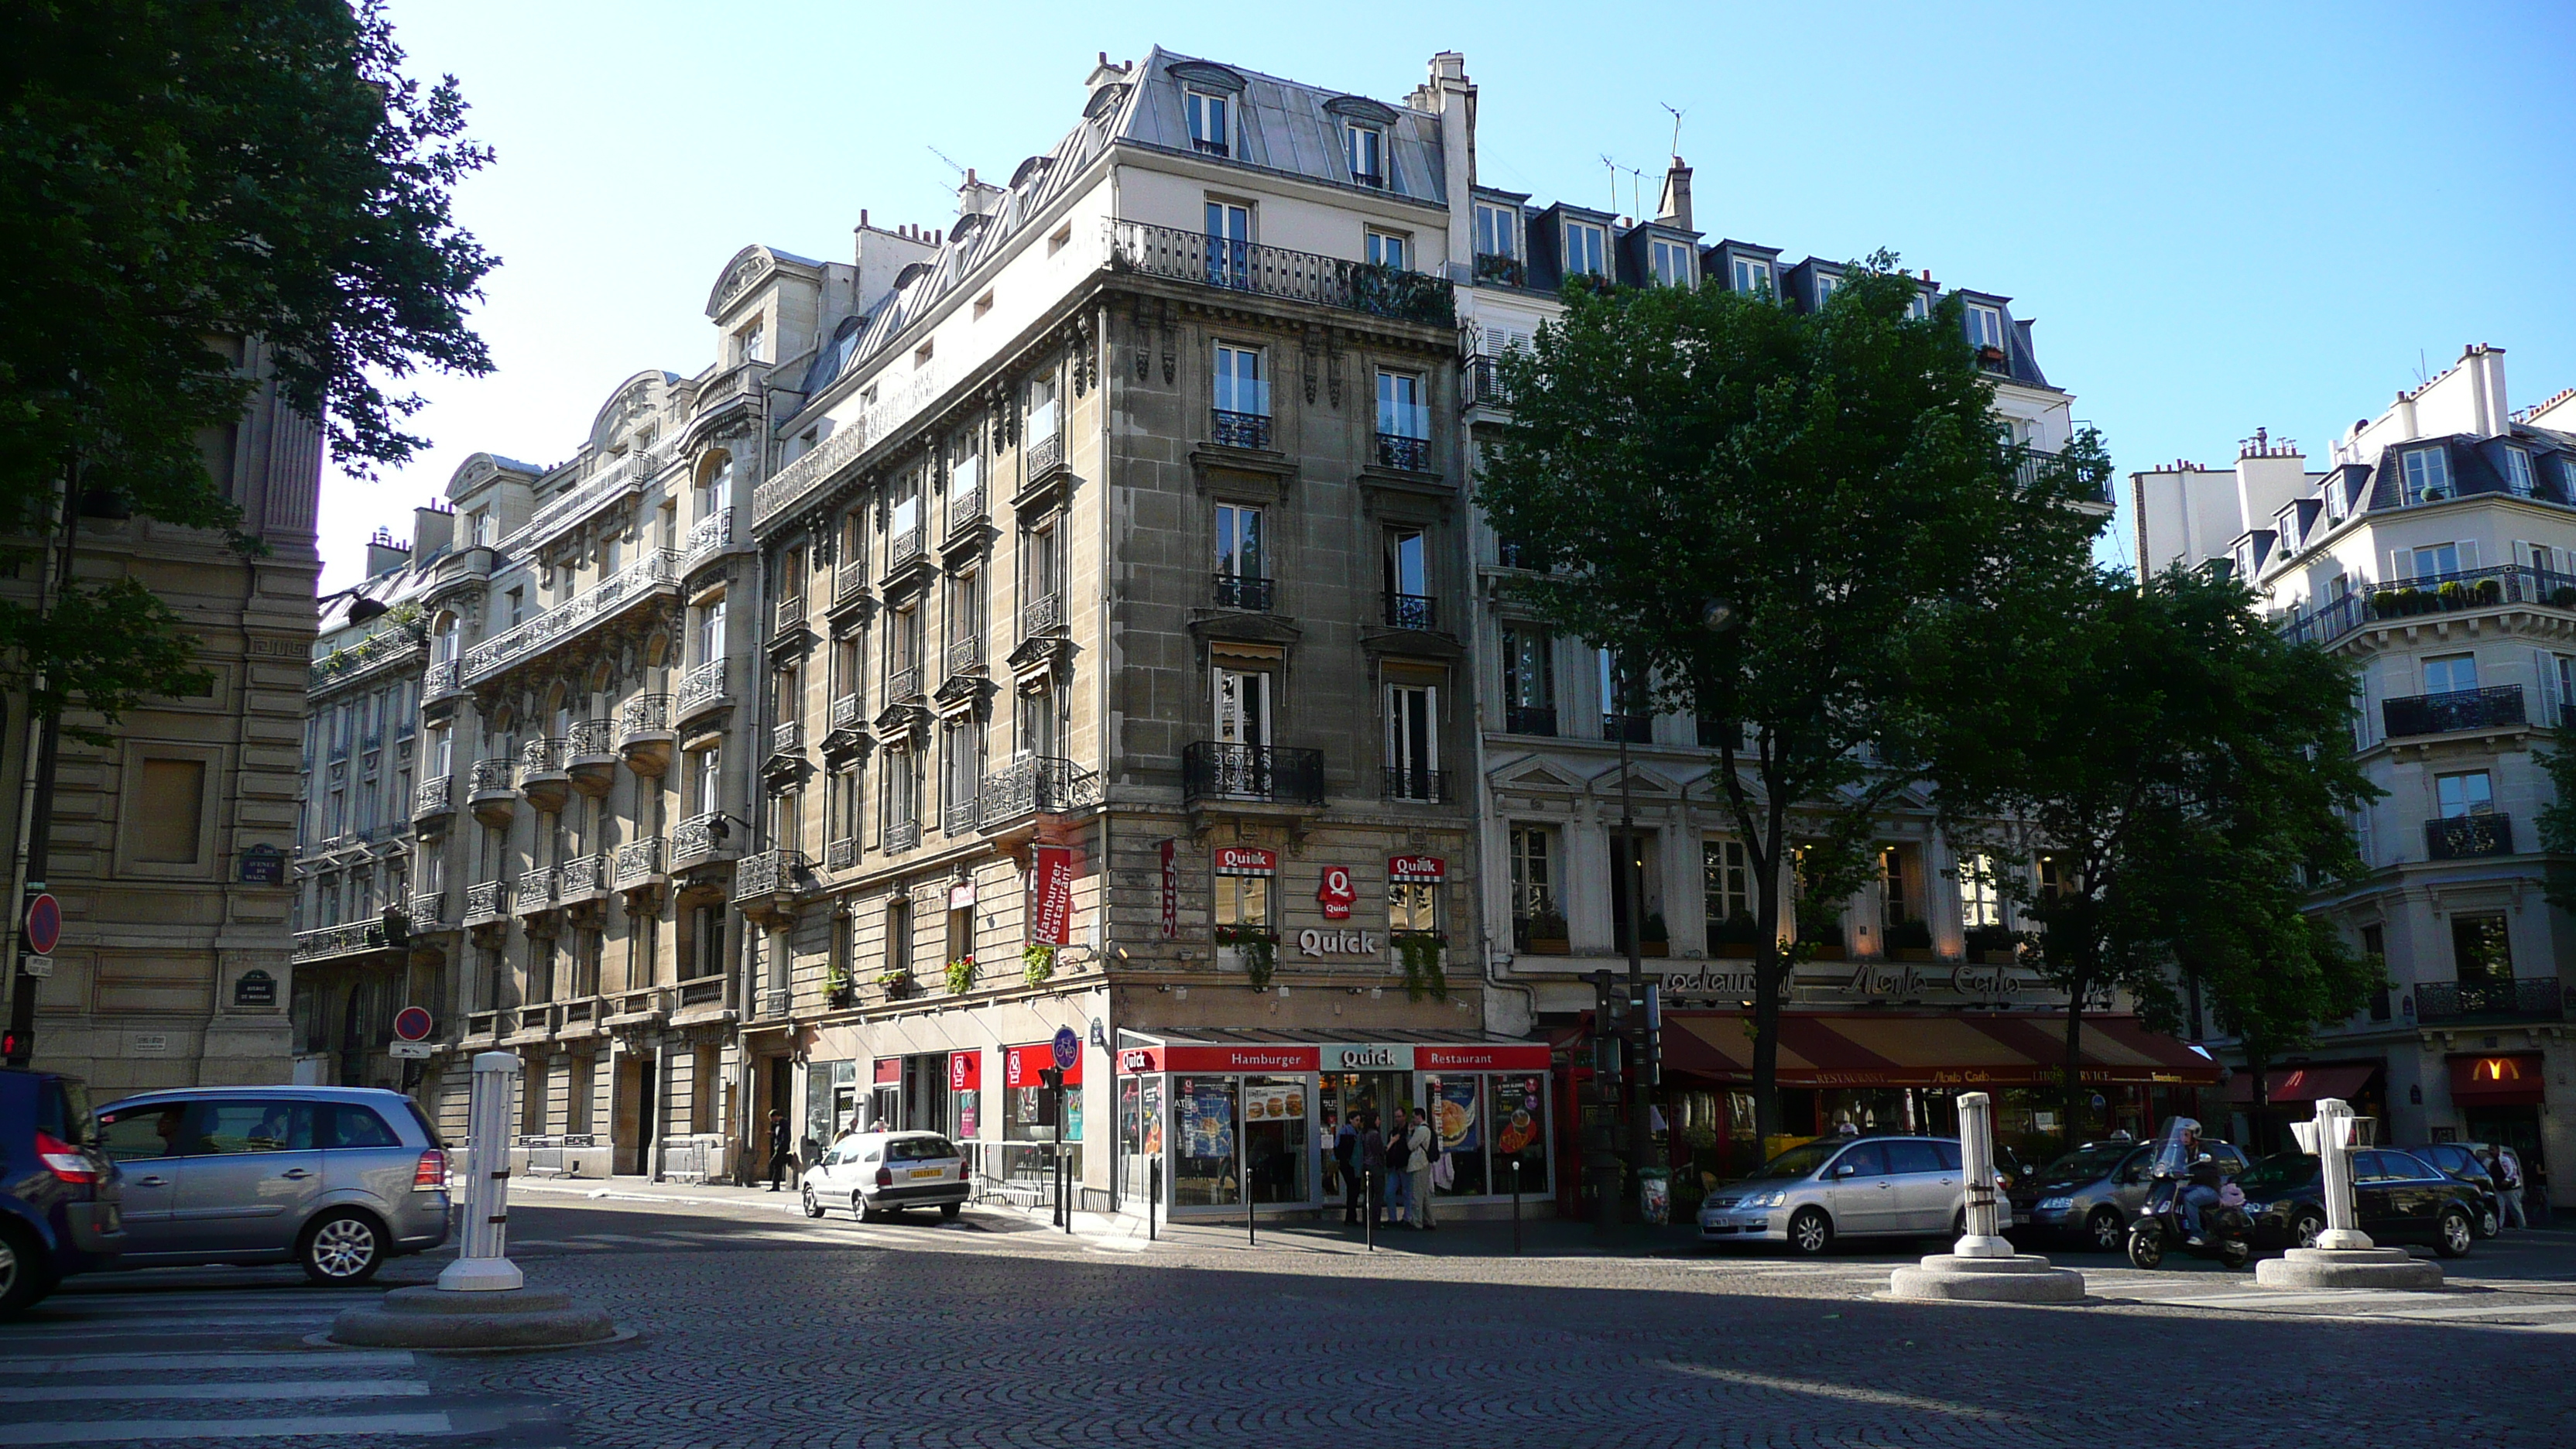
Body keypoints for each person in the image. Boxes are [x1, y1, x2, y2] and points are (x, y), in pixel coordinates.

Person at [2180, 1131, 2224, 1243]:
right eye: (2180, 1135)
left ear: (2194, 1135)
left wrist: (2193, 1173)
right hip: (2193, 1186)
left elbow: (2213, 1170)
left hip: (2209, 1188)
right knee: (2174, 1195)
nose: (2183, 1138)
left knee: (2190, 1199)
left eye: (2186, 1135)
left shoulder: (2205, 1149)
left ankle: (2198, 1235)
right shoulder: (2181, 1151)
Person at [1406, 1107, 1438, 1231]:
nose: (1413, 1120)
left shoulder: (1421, 1130)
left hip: (1419, 1164)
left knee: (1417, 1195)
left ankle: (1417, 1222)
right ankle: (1429, 1221)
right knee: (1424, 1195)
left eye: (1414, 1117)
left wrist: (1410, 1133)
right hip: (1424, 1164)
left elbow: (1410, 1146)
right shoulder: (1427, 1129)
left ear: (1420, 1116)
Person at [1383, 1110, 1414, 1227]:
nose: (1398, 1119)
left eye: (1400, 1116)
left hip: (1405, 1165)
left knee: (1407, 1193)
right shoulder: (1393, 1132)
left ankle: (1407, 1217)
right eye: (1396, 1117)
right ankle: (1393, 1218)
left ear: (1405, 1117)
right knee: (1389, 1192)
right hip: (1395, 1166)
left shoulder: (1409, 1131)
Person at [1359, 1112, 1388, 1228]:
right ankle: (1375, 1221)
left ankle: (1366, 1220)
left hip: (1366, 1166)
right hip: (1375, 1167)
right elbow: (1380, 1152)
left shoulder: (1363, 1134)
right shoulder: (1374, 1134)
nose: (1379, 1121)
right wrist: (1390, 1144)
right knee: (1378, 1195)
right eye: (1378, 1119)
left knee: (1368, 1195)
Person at [1333, 1112, 1362, 1225]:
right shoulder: (1349, 1132)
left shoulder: (1345, 1131)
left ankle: (1351, 1216)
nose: (1358, 1123)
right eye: (1356, 1120)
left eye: (1359, 1120)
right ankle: (1351, 1217)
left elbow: (1336, 1146)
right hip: (1350, 1164)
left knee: (1352, 1190)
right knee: (1353, 1190)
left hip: (1346, 1164)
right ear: (1350, 1120)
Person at [2492, 1143, 2528, 1230]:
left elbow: (2512, 1170)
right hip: (2498, 1187)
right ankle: (2499, 1225)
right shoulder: (2493, 1161)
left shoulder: (2504, 1159)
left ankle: (2522, 1225)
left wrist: (2507, 1180)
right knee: (2501, 1208)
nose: (2490, 1152)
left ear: (2498, 1150)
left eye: (2492, 1150)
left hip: (2509, 1188)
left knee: (2515, 1207)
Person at [765, 1109, 793, 1192]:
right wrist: (773, 1134)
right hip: (778, 1148)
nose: (772, 1121)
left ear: (776, 1116)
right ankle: (775, 1186)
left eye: (772, 1118)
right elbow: (779, 1135)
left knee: (774, 1163)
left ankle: (787, 1158)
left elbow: (785, 1137)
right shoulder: (778, 1125)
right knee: (777, 1167)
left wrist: (781, 1147)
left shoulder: (784, 1124)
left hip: (781, 1149)